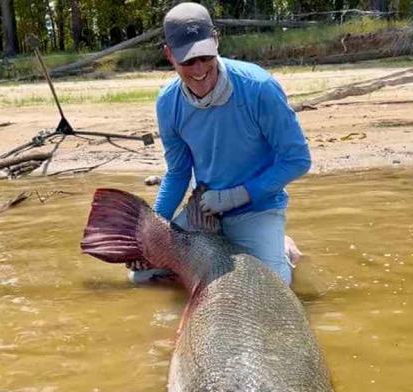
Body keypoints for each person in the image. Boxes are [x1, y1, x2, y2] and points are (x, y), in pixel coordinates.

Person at [133, 2, 311, 285]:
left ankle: (279, 245)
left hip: (257, 208)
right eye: (187, 61)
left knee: (274, 287)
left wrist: (238, 195)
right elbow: (178, 173)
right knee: (141, 275)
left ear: (216, 41)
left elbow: (298, 160)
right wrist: (154, 229)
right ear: (169, 55)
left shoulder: (259, 88)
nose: (199, 68)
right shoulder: (168, 102)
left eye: (205, 56)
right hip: (205, 211)